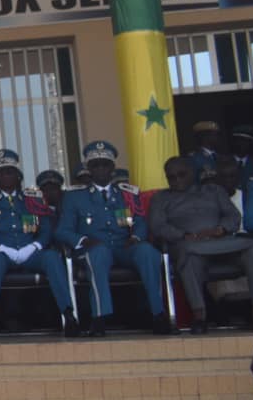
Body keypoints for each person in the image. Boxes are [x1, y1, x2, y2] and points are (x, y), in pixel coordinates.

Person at [55, 140, 169, 338]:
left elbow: (140, 221)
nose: (100, 169)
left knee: (148, 252)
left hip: (124, 246)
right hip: (94, 248)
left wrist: (135, 237)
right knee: (98, 254)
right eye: (95, 165)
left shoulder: (128, 194)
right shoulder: (75, 197)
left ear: (112, 168)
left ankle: (159, 315)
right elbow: (63, 230)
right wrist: (84, 240)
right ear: (88, 169)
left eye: (105, 165)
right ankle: (99, 318)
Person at [148, 157, 253, 334]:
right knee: (189, 257)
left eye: (181, 175)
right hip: (191, 246)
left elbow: (233, 216)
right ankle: (200, 316)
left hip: (223, 243)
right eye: (171, 177)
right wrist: (183, 235)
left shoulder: (213, 190)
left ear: (192, 173)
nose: (177, 180)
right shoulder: (161, 198)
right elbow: (158, 226)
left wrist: (221, 229)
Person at [0, 150, 77, 339]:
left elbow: (45, 230)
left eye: (10, 172)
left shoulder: (32, 200)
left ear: (18, 176)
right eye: (2, 173)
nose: (7, 177)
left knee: (52, 258)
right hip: (2, 252)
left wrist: (34, 246)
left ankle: (68, 315)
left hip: (31, 251)